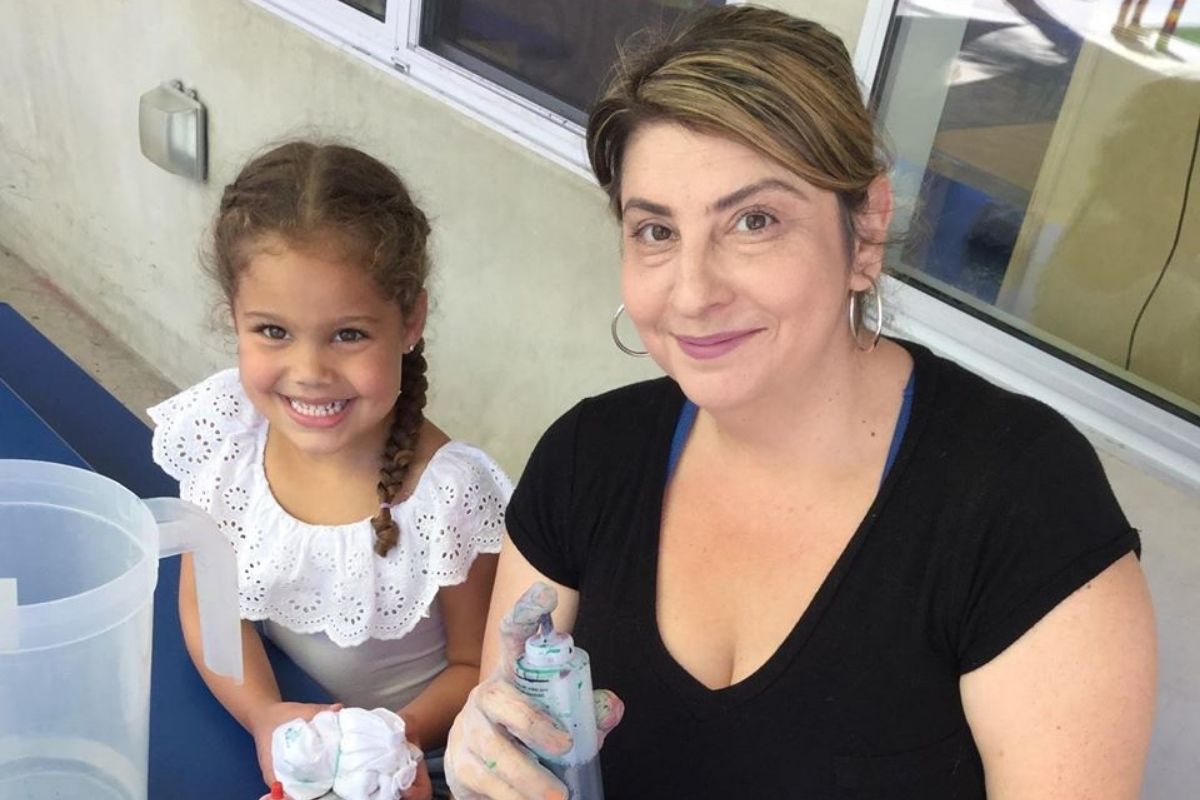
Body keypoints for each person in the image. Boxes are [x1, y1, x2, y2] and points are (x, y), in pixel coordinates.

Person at [444, 6, 1157, 799]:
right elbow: (522, 739)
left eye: (754, 221)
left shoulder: (1019, 502)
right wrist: (488, 750)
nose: (692, 292)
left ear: (868, 229)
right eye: (655, 231)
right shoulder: (586, 460)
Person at [149, 141, 512, 799]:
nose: (310, 372)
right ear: (232, 317)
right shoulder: (226, 435)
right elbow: (210, 607)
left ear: (410, 321)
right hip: (276, 726)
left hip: (415, 765)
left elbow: (479, 666)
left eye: (348, 334)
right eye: (273, 332)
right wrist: (264, 717)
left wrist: (380, 748)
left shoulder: (451, 496)